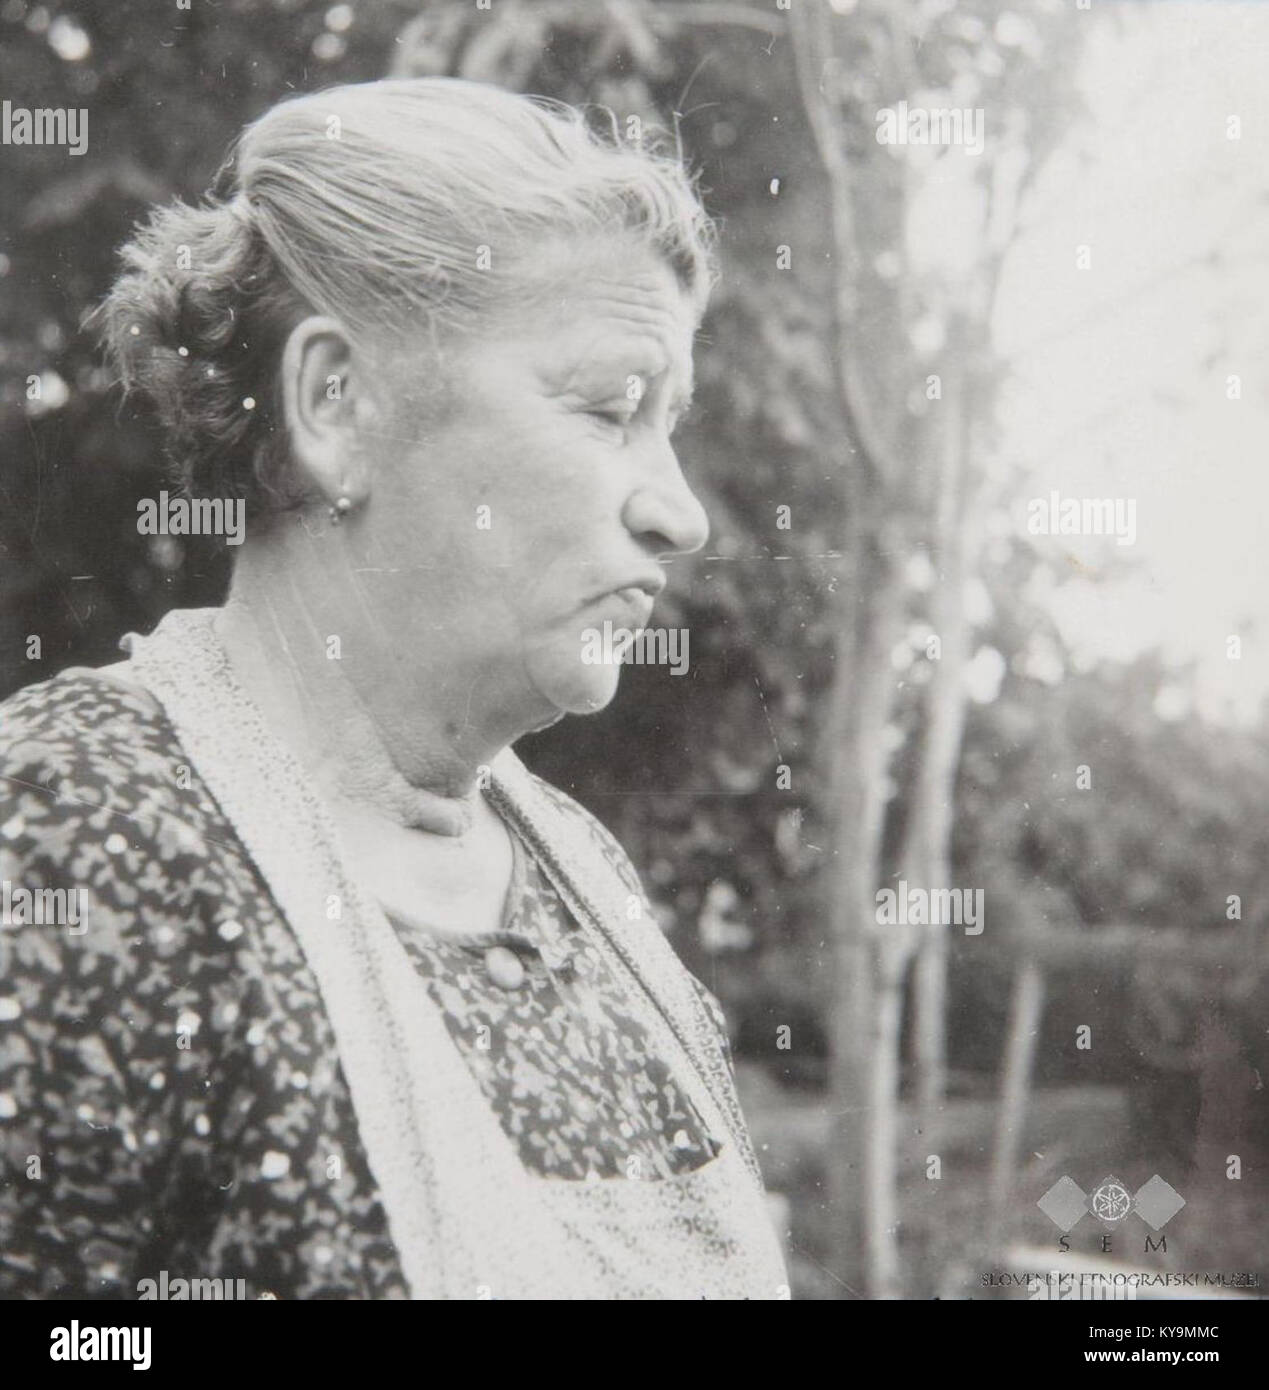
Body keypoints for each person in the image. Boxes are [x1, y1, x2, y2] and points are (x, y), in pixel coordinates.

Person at [0, 77, 788, 1299]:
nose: (679, 513)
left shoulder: (584, 872)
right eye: (613, 407)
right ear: (336, 403)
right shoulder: (75, 831)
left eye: (670, 423)